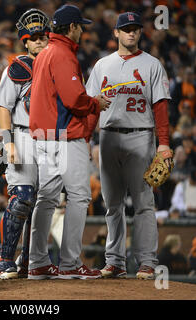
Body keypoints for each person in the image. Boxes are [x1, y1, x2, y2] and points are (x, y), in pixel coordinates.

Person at [86, 12, 172, 280]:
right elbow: (90, 106)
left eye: (135, 29)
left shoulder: (152, 64)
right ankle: (115, 261)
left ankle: (147, 261)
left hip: (141, 136)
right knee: (112, 203)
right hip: (109, 136)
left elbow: (160, 107)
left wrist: (164, 144)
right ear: (116, 33)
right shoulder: (102, 65)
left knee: (144, 203)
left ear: (140, 33)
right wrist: (86, 139)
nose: (131, 33)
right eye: (126, 29)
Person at [28, 4, 110, 280]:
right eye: (80, 26)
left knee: (47, 198)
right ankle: (70, 263)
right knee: (79, 196)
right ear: (72, 27)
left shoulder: (43, 53)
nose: (82, 30)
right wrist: (95, 103)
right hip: (64, 136)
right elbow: (74, 98)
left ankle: (37, 261)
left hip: (44, 136)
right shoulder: (62, 54)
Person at [0, 8, 51, 280]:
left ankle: (29, 259)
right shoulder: (17, 67)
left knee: (45, 202)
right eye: (34, 37)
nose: (40, 41)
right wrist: (8, 141)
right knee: (22, 198)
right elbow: (3, 107)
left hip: (52, 138)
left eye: (43, 36)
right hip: (23, 135)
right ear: (25, 41)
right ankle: (4, 259)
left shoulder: (58, 65)